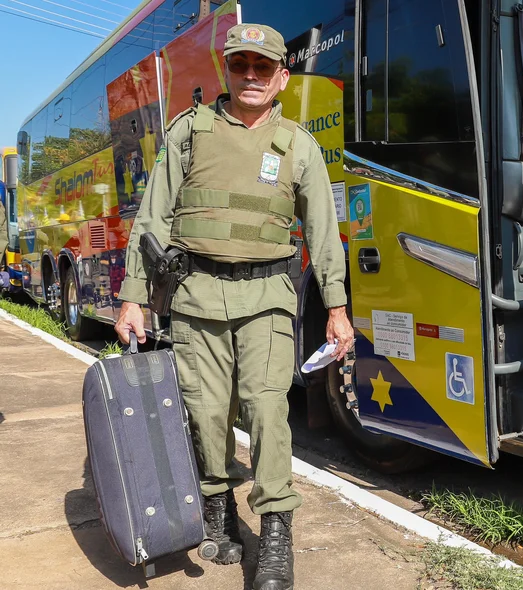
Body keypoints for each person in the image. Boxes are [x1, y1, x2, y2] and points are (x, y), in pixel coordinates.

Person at [114, 23, 354, 590]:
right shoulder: (188, 133)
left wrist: (339, 309)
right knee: (205, 412)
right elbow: (152, 219)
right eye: (241, 64)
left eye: (262, 67)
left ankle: (275, 536)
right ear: (226, 70)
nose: (251, 75)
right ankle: (219, 514)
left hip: (267, 297)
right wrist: (133, 298)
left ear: (281, 78)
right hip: (195, 296)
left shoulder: (299, 145)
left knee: (269, 411)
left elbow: (323, 236)